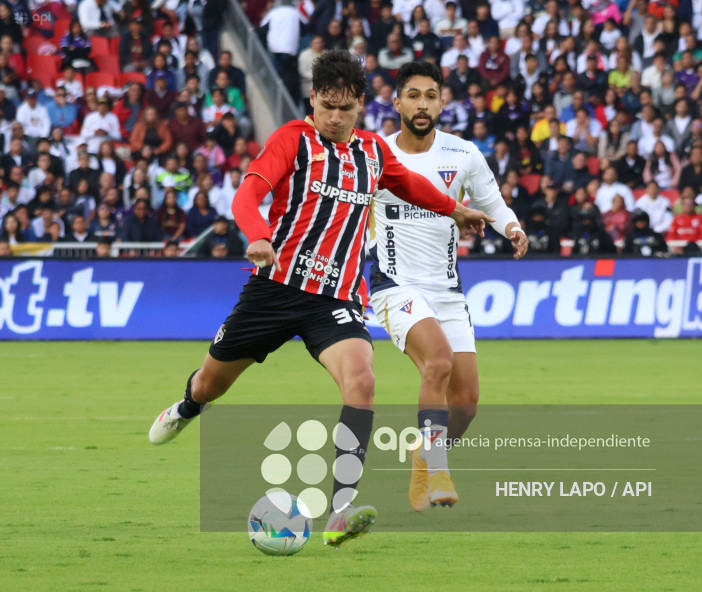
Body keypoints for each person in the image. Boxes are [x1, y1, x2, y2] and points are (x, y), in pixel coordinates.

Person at [147, 50, 492, 547]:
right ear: (313, 99)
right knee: (209, 383)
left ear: (361, 107)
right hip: (275, 288)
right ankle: (187, 406)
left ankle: (341, 509)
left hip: (336, 297)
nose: (334, 117)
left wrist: (455, 210)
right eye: (326, 106)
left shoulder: (373, 152)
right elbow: (248, 194)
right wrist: (259, 235)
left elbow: (411, 185)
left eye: (345, 109)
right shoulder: (292, 139)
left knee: (363, 381)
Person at [369, 61, 527, 513]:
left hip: (446, 290)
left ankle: (424, 455)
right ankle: (438, 466)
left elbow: (491, 202)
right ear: (396, 102)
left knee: (467, 403)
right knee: (436, 362)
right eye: (413, 95)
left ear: (442, 102)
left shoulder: (463, 154)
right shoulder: (374, 154)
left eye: (430, 96)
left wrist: (512, 227)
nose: (422, 104)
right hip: (394, 285)